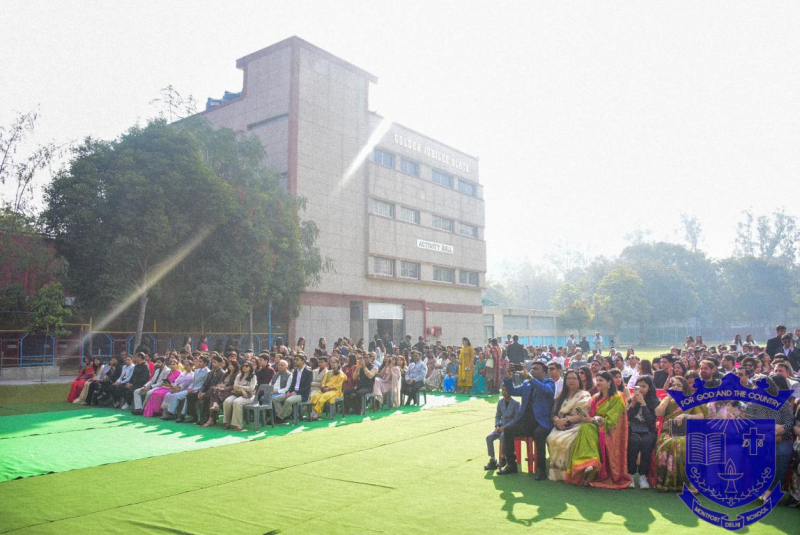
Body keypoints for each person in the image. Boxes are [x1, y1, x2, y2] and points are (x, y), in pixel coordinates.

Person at [565, 371, 631, 489]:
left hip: (610, 431)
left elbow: (611, 422)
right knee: (585, 428)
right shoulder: (595, 397)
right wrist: (585, 416)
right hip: (594, 428)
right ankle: (590, 464)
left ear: (609, 382)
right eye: (597, 380)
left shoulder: (617, 398)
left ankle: (590, 464)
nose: (598, 383)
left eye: (601, 380)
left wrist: (591, 420)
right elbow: (591, 415)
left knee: (586, 428)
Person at [742, 375, 794, 502]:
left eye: (757, 387)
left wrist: (773, 433)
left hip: (781, 438)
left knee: (782, 452)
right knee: (755, 451)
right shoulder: (752, 405)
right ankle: (762, 487)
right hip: (760, 439)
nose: (754, 389)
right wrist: (772, 426)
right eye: (754, 386)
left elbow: (788, 423)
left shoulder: (782, 403)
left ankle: (772, 489)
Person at [498, 362, 555, 479]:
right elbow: (512, 391)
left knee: (539, 434)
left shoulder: (548, 382)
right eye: (532, 368)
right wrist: (509, 377)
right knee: (508, 430)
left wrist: (529, 377)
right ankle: (511, 464)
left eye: (536, 369)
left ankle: (541, 469)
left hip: (541, 423)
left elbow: (547, 391)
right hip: (525, 421)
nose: (532, 370)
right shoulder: (526, 384)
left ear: (543, 372)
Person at [655, 376, 708, 491]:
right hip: (668, 431)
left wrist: (685, 415)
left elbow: (700, 416)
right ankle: (666, 483)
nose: (675, 387)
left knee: (684, 443)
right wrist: (669, 397)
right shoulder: (667, 400)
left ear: (684, 388)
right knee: (668, 443)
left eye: (679, 385)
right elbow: (658, 413)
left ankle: (689, 483)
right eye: (673, 385)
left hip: (687, 432)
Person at [547, 370, 591, 481]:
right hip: (559, 425)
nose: (571, 381)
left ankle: (569, 474)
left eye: (574, 378)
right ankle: (556, 473)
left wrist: (566, 420)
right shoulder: (561, 395)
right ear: (565, 381)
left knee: (566, 442)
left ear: (579, 381)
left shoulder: (584, 395)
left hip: (576, 425)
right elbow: (553, 412)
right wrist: (557, 420)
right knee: (551, 438)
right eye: (569, 378)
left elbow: (582, 415)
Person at [627, 376, 659, 489]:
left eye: (644, 386)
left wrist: (643, 404)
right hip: (634, 429)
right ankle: (630, 474)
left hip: (649, 430)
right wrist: (632, 404)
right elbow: (627, 418)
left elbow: (651, 421)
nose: (640, 389)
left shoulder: (656, 401)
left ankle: (643, 475)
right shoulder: (632, 399)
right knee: (633, 442)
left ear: (649, 388)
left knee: (647, 443)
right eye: (638, 386)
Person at [484, 383, 521, 471]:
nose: (504, 392)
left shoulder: (516, 403)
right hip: (500, 427)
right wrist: (497, 425)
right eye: (503, 390)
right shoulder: (500, 402)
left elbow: (516, 419)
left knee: (503, 436)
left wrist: (505, 427)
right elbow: (498, 416)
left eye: (506, 390)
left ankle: (503, 458)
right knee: (489, 437)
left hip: (509, 429)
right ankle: (492, 459)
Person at [273, 354, 312, 421]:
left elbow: (307, 386)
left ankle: (280, 418)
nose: (295, 361)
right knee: (275, 399)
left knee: (288, 400)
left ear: (303, 361)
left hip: (302, 394)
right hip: (292, 392)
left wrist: (296, 392)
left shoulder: (308, 371)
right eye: (295, 359)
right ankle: (284, 416)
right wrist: (289, 391)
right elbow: (293, 384)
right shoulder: (295, 371)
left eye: (297, 360)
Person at [222, 361, 258, 431]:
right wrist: (242, 390)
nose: (244, 367)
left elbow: (251, 388)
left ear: (250, 368)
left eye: (246, 366)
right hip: (238, 393)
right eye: (243, 366)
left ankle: (239, 425)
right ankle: (227, 422)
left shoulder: (253, 377)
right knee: (227, 401)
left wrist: (240, 387)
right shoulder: (239, 376)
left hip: (250, 396)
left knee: (237, 402)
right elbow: (234, 387)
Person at [203, 360, 239, 427]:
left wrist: (225, 388)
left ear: (235, 366)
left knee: (213, 394)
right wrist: (220, 386)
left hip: (230, 392)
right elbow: (221, 382)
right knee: (213, 391)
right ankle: (212, 415)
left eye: (232, 365)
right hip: (221, 391)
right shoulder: (226, 374)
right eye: (229, 364)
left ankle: (210, 419)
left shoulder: (237, 375)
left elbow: (234, 386)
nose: (230, 366)